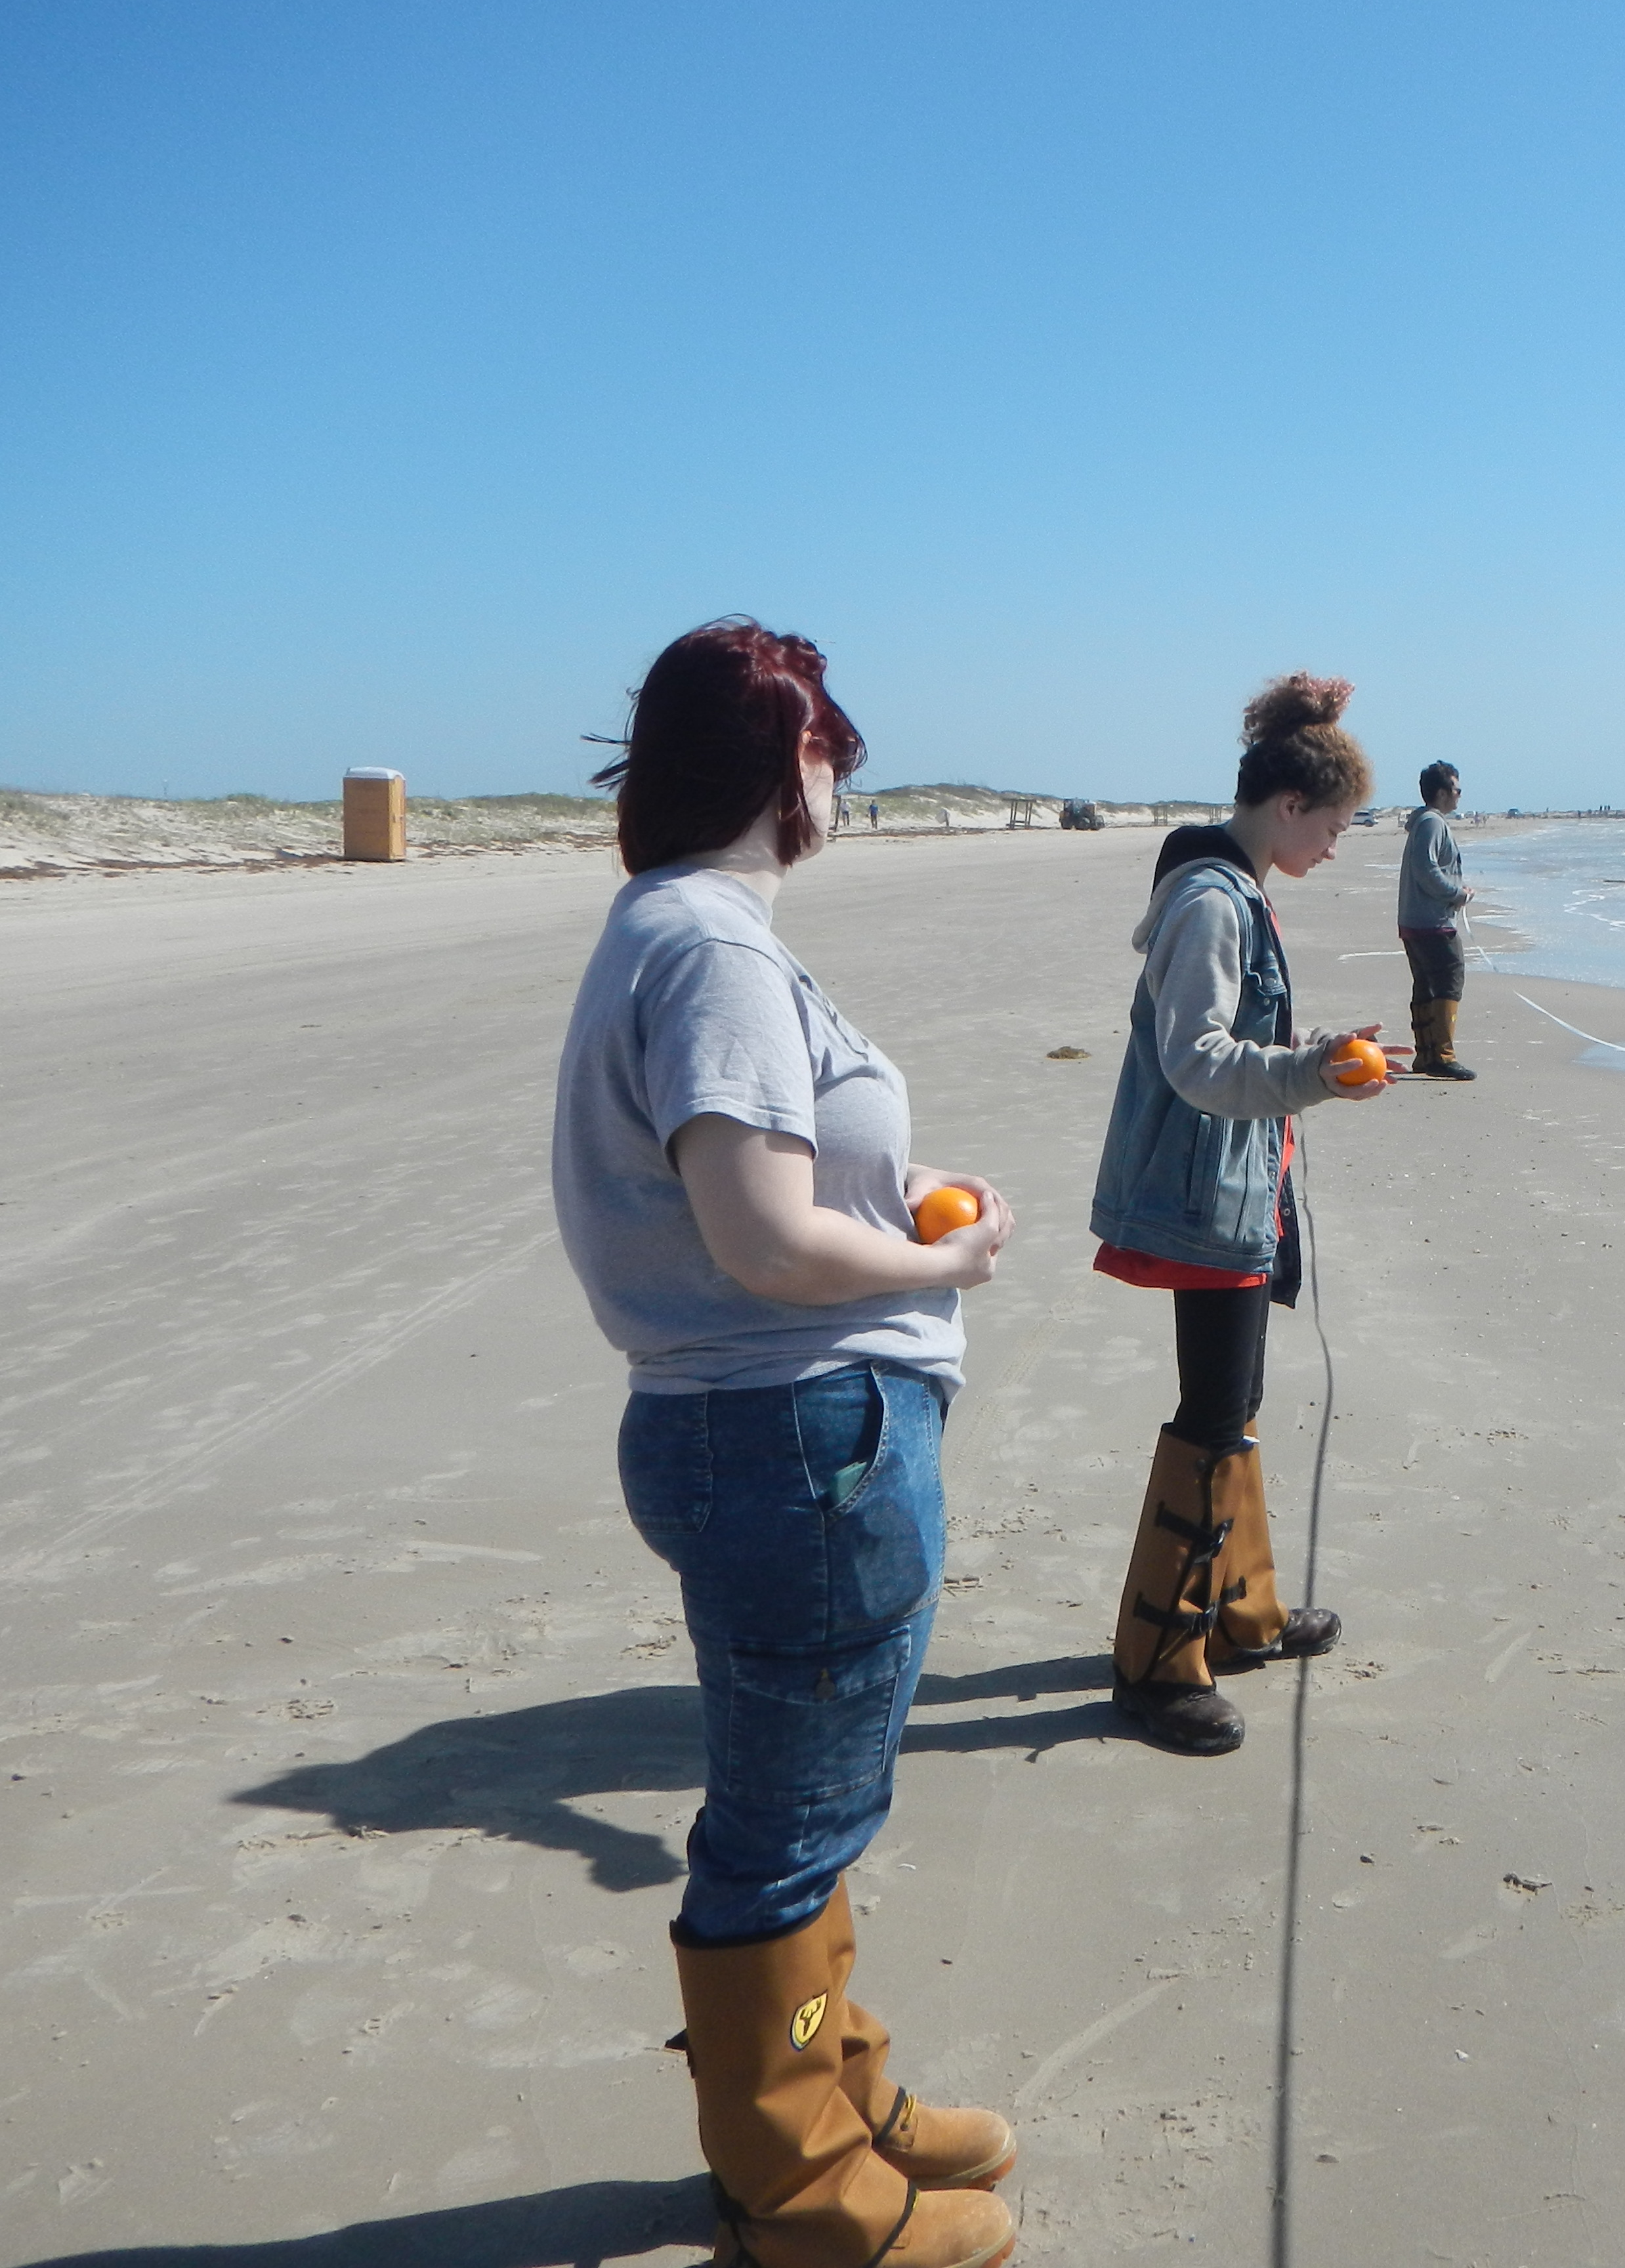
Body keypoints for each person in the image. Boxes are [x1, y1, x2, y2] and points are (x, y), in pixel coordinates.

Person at [553, 619, 1019, 2268]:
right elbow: (759, 1237)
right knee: (790, 1816)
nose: (840, 785)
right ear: (791, 763)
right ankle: (796, 2177)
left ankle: (829, 2086)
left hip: (750, 1422)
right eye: (833, 756)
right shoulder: (715, 950)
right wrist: (943, 1259)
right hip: (795, 1430)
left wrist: (886, 1213)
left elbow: (759, 1202)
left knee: (803, 1796)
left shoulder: (669, 931)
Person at [1088, 673, 1399, 1755]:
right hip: (1200, 1188)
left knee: (1238, 1396)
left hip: (1239, 1183)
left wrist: (1313, 1064)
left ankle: (1240, 1610)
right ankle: (1154, 1662)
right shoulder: (1212, 900)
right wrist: (1315, 1070)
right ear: (1288, 807)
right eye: (1338, 826)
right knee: (1211, 1407)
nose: (1338, 846)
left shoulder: (1234, 884)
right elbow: (1197, 1059)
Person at [1399, 762, 1476, 1079]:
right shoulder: (1432, 823)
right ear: (1442, 793)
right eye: (1457, 790)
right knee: (1448, 981)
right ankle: (1441, 1056)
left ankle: (1427, 1055)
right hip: (1431, 922)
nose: (1460, 796)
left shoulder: (1427, 822)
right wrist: (1457, 894)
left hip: (1418, 921)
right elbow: (1426, 869)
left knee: (1428, 986)